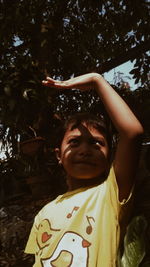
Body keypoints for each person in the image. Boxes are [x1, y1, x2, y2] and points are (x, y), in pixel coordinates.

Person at [25, 73, 143, 266]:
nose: (85, 150)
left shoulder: (110, 194)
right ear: (58, 156)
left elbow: (132, 133)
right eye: (74, 142)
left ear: (109, 157)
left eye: (96, 144)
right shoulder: (44, 213)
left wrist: (97, 81)